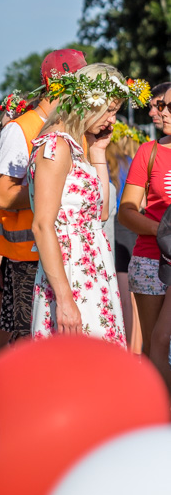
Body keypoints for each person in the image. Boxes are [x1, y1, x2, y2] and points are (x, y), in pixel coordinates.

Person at [29, 63, 150, 341]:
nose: (112, 119)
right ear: (87, 103)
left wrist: (97, 151)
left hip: (92, 269)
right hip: (71, 273)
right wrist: (65, 299)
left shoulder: (76, 146)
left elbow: (102, 212)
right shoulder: (56, 147)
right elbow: (42, 226)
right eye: (109, 110)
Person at [0, 49, 87, 346]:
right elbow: (3, 196)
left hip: (62, 254)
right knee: (28, 343)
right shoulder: (20, 129)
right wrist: (48, 188)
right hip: (26, 259)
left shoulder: (74, 129)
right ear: (60, 86)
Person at [118, 86, 171, 377]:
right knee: (153, 348)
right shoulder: (149, 151)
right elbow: (126, 212)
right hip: (151, 261)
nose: (158, 112)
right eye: (159, 106)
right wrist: (164, 233)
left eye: (165, 106)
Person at [106, 123, 148, 348]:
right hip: (134, 224)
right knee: (135, 297)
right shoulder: (130, 163)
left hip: (115, 224)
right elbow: (143, 201)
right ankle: (137, 352)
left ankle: (129, 352)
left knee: (123, 295)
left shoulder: (104, 163)